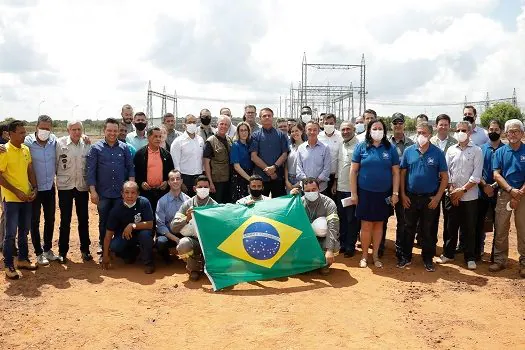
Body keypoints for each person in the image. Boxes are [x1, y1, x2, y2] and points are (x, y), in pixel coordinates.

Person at [350, 119, 400, 268]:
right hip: (365, 193)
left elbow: (396, 173)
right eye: (374, 128)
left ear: (384, 131)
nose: (377, 131)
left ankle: (376, 255)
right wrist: (354, 193)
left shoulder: (390, 148)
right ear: (369, 130)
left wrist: (395, 193)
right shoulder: (361, 147)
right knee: (366, 226)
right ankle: (364, 255)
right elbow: (353, 171)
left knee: (379, 225)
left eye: (380, 128)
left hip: (383, 194)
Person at [399, 122, 448, 272]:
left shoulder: (437, 153)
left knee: (429, 229)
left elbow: (444, 177)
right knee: (408, 228)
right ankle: (406, 257)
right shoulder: (409, 151)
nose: (421, 136)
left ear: (430, 135)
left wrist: (437, 197)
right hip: (411, 197)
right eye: (419, 132)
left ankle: (428, 258)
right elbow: (402, 174)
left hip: (430, 198)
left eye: (425, 133)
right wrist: (402, 194)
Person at [87, 118, 135, 260]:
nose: (113, 133)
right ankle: (104, 247)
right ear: (104, 131)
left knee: (122, 220)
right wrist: (93, 191)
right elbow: (91, 171)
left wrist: (131, 188)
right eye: (109, 130)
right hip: (104, 194)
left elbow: (130, 168)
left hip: (121, 194)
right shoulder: (96, 148)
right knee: (104, 221)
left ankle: (119, 247)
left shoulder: (124, 148)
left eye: (115, 130)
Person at [437, 121, 483, 270]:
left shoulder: (477, 151)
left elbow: (476, 176)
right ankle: (448, 254)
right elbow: (446, 173)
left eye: (464, 130)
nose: (461, 132)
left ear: (470, 133)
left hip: (469, 197)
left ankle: (470, 257)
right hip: (451, 195)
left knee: (469, 228)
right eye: (458, 130)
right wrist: (452, 191)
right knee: (450, 226)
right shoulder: (450, 150)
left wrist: (461, 191)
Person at [0, 120, 38, 279]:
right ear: (10, 134)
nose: (24, 135)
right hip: (11, 199)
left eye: (24, 132)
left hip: (27, 198)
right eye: (21, 132)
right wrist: (16, 192)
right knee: (10, 234)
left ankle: (23, 259)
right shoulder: (4, 151)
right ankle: (9, 264)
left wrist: (34, 188)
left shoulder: (26, 149)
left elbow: (30, 170)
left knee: (24, 231)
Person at [491, 119, 525, 278]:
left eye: (516, 131)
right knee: (501, 227)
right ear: (506, 133)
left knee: (523, 229)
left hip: (523, 195)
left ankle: (524, 263)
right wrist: (511, 190)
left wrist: (519, 193)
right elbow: (496, 174)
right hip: (505, 194)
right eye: (510, 131)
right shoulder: (500, 152)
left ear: (522, 133)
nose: (513, 134)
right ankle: (500, 260)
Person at [55, 120, 92, 263]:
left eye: (79, 129)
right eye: (74, 129)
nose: (77, 132)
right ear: (68, 130)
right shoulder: (59, 144)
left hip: (81, 187)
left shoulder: (87, 144)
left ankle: (85, 250)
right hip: (65, 187)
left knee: (84, 219)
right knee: (65, 220)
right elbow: (54, 164)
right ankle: (62, 252)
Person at [25, 115, 59, 265]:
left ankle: (47, 250)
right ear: (36, 127)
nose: (44, 131)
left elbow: (71, 138)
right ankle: (38, 253)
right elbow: (12, 146)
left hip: (50, 187)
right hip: (34, 188)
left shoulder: (54, 141)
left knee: (50, 219)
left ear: (51, 129)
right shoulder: (27, 142)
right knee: (34, 220)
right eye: (42, 128)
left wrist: (84, 137)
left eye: (47, 128)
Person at [170, 175, 218, 281]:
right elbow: (173, 227)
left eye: (206, 187)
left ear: (210, 189)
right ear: (194, 189)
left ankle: (208, 266)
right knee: (183, 245)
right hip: (194, 241)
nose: (203, 189)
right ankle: (193, 268)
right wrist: (186, 218)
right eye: (200, 187)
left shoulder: (215, 206)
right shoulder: (187, 205)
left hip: (209, 242)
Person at [101, 181, 155, 274]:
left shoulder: (144, 202)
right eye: (126, 192)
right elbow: (109, 234)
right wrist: (105, 255)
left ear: (138, 194)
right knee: (115, 246)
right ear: (122, 194)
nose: (130, 196)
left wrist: (132, 225)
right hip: (125, 236)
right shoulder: (116, 209)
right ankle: (132, 254)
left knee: (145, 235)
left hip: (141, 234)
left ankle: (148, 263)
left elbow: (150, 224)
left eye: (133, 192)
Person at [291, 177, 340, 275]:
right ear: (303, 191)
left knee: (322, 225)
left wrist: (330, 250)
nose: (311, 192)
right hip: (305, 236)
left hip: (323, 237)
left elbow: (333, 227)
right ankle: (305, 262)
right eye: (307, 190)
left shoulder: (329, 203)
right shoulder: (299, 202)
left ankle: (324, 263)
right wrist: (291, 199)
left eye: (314, 189)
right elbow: (290, 221)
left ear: (319, 189)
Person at [382, 112, 414, 258]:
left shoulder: (412, 144)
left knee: (403, 220)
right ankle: (379, 246)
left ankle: (400, 249)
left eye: (400, 122)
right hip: (386, 187)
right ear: (391, 125)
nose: (398, 125)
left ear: (404, 124)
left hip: (403, 188)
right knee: (382, 217)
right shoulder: (385, 143)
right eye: (395, 123)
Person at [475, 120, 503, 262]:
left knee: (499, 225)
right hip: (481, 191)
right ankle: (477, 252)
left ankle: (495, 255)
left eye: (496, 129)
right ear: (488, 130)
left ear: (501, 131)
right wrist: (485, 186)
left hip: (499, 193)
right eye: (491, 129)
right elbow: (476, 170)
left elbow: (506, 172)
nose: (493, 131)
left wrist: (493, 187)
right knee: (479, 223)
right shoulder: (480, 149)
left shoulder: (506, 149)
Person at [332, 121, 360, 257]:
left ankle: (350, 246)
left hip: (351, 189)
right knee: (341, 217)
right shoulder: (341, 145)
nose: (345, 132)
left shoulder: (359, 146)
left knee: (351, 219)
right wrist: (334, 184)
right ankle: (342, 244)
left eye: (348, 129)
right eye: (343, 130)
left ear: (353, 129)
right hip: (340, 188)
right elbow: (339, 167)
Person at [429, 114, 457, 247]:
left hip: (448, 185)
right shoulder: (430, 142)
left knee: (449, 218)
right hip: (432, 185)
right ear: (436, 126)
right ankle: (430, 245)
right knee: (431, 217)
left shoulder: (455, 143)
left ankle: (448, 248)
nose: (443, 127)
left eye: (446, 125)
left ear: (449, 126)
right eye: (441, 124)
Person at [133, 127, 174, 216]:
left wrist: (167, 182)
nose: (158, 139)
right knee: (148, 217)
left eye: (160, 136)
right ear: (148, 137)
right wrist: (141, 183)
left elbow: (171, 172)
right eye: (155, 136)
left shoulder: (166, 154)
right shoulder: (139, 154)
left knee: (161, 216)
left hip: (162, 192)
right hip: (146, 193)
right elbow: (135, 172)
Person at [250, 108, 289, 198]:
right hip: (261, 179)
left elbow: (284, 154)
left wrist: (274, 167)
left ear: (273, 117)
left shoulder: (281, 135)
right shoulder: (255, 135)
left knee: (279, 206)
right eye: (264, 116)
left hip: (278, 177)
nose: (267, 117)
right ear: (260, 118)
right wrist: (270, 171)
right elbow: (253, 157)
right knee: (261, 206)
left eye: (269, 115)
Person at [155, 170, 190, 263]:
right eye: (172, 179)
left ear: (181, 181)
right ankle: (167, 258)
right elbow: (160, 225)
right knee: (161, 242)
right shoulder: (162, 201)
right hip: (168, 234)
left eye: (178, 179)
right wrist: (176, 239)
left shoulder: (188, 200)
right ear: (169, 182)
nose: (175, 181)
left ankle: (189, 259)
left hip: (184, 233)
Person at [170, 114, 204, 198]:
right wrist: (180, 182)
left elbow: (202, 160)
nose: (192, 124)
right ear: (184, 125)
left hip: (199, 177)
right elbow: (175, 164)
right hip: (185, 178)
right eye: (189, 122)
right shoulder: (178, 142)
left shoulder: (200, 140)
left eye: (194, 122)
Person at [203, 115, 233, 204]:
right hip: (216, 181)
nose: (224, 126)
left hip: (228, 180)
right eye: (221, 124)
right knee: (217, 205)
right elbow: (206, 164)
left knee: (227, 204)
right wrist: (210, 182)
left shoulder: (229, 140)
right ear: (217, 125)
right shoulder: (210, 141)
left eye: (226, 125)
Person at [296, 121, 331, 193]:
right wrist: (307, 183)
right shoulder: (301, 148)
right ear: (305, 131)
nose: (312, 132)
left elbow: (327, 168)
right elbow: (299, 167)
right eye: (309, 129)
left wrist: (316, 182)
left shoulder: (325, 148)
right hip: (305, 189)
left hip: (321, 188)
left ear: (318, 132)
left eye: (315, 130)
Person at [318, 113, 343, 199]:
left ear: (335, 123)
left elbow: (341, 158)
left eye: (331, 123)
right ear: (323, 124)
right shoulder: (318, 136)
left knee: (335, 200)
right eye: (326, 123)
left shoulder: (340, 136)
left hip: (335, 176)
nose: (329, 125)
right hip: (321, 176)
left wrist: (336, 180)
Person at [230, 122, 253, 202]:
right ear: (238, 132)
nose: (244, 132)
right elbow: (236, 166)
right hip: (239, 178)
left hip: (250, 175)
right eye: (241, 130)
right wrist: (250, 179)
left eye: (245, 130)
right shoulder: (235, 146)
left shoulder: (250, 145)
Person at [285, 123, 305, 193]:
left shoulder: (306, 146)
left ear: (301, 131)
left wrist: (299, 183)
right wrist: (287, 181)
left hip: (301, 179)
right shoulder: (290, 147)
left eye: (296, 130)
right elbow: (286, 165)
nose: (294, 133)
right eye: (292, 131)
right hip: (289, 179)